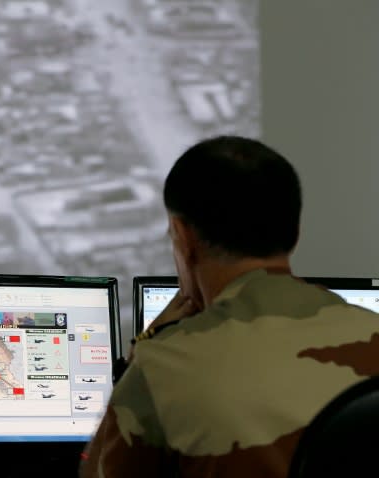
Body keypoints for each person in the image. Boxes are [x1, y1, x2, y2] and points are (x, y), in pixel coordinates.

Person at [80, 135, 379, 478]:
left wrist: (144, 347)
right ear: (296, 232)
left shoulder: (162, 364)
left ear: (183, 237)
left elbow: (96, 472)